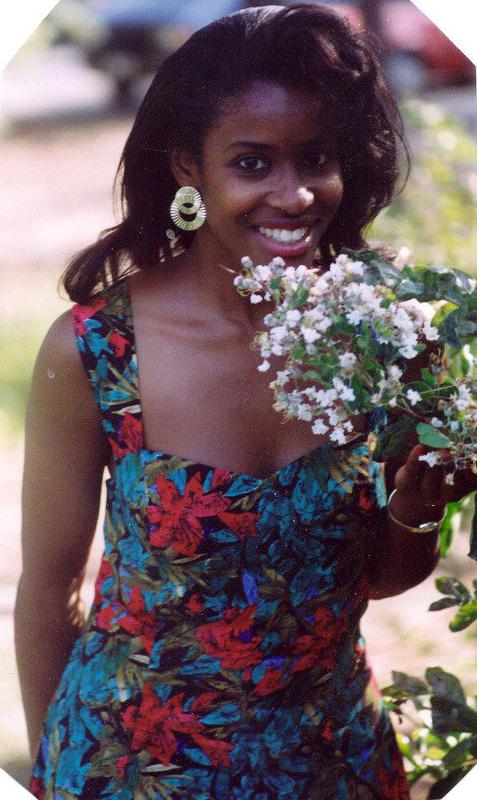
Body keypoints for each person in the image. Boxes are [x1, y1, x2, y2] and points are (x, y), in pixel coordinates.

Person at [15, 5, 476, 800]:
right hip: (127, 769)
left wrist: (415, 504)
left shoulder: (387, 337)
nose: (293, 195)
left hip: (332, 762)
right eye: (253, 163)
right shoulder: (98, 350)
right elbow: (47, 591)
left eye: (315, 158)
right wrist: (50, 773)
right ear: (187, 167)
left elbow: (377, 578)